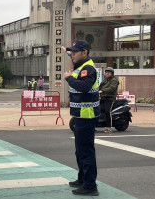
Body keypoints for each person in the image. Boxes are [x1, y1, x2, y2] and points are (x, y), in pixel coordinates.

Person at [63, 40, 100, 196]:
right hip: (80, 116)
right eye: (71, 53)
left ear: (85, 53)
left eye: (75, 52)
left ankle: (90, 186)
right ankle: (83, 179)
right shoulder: (81, 67)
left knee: (86, 151)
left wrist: (68, 78)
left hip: (87, 116)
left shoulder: (88, 69)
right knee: (80, 151)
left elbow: (84, 87)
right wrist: (69, 53)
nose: (73, 55)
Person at [99, 67, 119, 133]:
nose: (107, 73)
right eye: (106, 72)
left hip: (110, 98)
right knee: (96, 109)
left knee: (107, 111)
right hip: (103, 98)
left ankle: (109, 128)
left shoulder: (114, 80)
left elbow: (112, 88)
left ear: (112, 73)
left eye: (108, 72)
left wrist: (102, 91)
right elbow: (100, 87)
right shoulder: (105, 80)